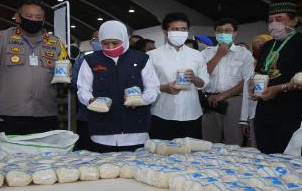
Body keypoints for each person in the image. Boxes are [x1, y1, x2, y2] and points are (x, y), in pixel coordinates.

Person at [0, 0, 68, 135]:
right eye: (29, 16)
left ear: (43, 20)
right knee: (9, 155)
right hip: (9, 113)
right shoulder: (1, 38)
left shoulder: (55, 43)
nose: (33, 20)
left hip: (45, 113)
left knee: (44, 154)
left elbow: (65, 73)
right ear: (17, 17)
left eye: (38, 17)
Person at [77, 20, 160, 152]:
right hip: (102, 133)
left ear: (125, 39)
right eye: (105, 43)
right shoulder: (91, 60)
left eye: (115, 43)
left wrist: (141, 100)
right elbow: (83, 90)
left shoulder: (141, 59)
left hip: (136, 132)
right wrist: (90, 100)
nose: (110, 47)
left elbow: (153, 88)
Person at [253, 2, 302, 154]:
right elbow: (259, 71)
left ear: (294, 21)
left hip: (293, 113)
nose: (274, 24)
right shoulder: (268, 45)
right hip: (265, 112)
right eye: (271, 20)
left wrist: (280, 88)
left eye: (279, 19)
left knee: (289, 160)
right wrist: (253, 85)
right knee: (264, 157)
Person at [148, 12, 209, 140]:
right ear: (165, 31)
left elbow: (205, 82)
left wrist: (194, 79)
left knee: (191, 156)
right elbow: (146, 85)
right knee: (161, 155)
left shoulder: (197, 55)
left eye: (183, 29)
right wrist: (165, 88)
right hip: (162, 114)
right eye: (175, 29)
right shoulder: (152, 55)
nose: (179, 32)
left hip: (192, 114)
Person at [201, 18, 254, 145]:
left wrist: (223, 96)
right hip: (210, 101)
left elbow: (247, 81)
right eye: (219, 31)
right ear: (215, 33)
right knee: (208, 142)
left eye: (227, 31)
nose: (223, 34)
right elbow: (201, 76)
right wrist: (218, 55)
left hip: (234, 101)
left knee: (233, 141)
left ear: (235, 33)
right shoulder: (205, 53)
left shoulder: (244, 54)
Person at [239, 34, 273, 147]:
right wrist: (244, 120)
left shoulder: (276, 67)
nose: (257, 50)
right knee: (255, 146)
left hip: (272, 112)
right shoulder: (250, 68)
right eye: (254, 48)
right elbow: (245, 95)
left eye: (261, 47)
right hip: (253, 115)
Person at [70, 30, 99, 151]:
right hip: (87, 116)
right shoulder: (83, 61)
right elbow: (75, 87)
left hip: (114, 118)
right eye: (95, 39)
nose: (98, 41)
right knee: (87, 154)